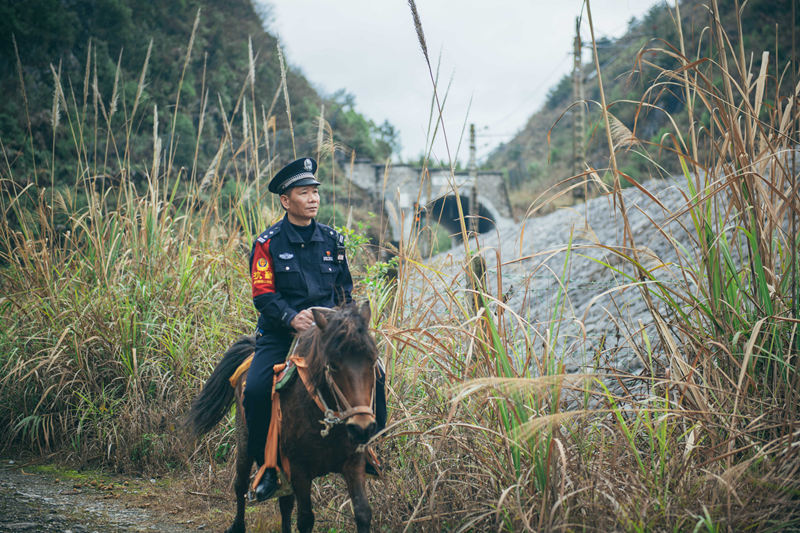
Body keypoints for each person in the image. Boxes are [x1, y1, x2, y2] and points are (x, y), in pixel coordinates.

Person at [245, 157, 387, 501]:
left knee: (377, 372)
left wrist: (340, 322)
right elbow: (262, 294)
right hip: (280, 334)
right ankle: (267, 467)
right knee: (256, 390)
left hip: (328, 334)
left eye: (315, 193)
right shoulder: (268, 243)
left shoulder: (333, 241)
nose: (313, 199)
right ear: (285, 200)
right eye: (304, 193)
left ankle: (365, 447)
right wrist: (291, 318)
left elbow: (345, 292)